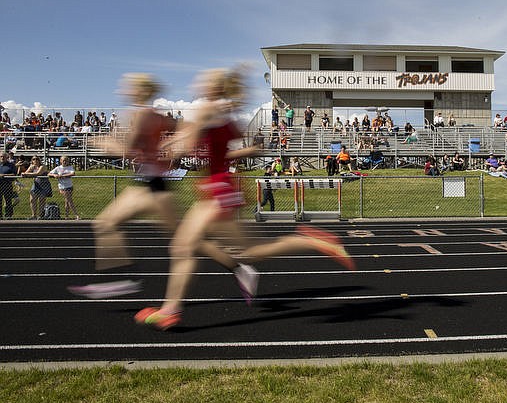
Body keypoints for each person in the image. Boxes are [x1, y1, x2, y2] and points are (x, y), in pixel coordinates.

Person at [134, 67, 354, 330]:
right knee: (240, 251)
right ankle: (310, 239)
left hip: (217, 191)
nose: (196, 82)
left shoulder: (207, 110)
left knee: (188, 246)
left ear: (213, 86)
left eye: (202, 79)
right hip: (214, 189)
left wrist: (165, 147)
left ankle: (171, 310)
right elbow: (223, 151)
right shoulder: (222, 115)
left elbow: (187, 144)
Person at [68, 74, 178, 299]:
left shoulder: (142, 115)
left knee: (181, 239)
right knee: (106, 224)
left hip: (152, 186)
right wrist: (170, 144)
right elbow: (179, 127)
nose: (123, 90)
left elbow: (127, 150)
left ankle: (236, 266)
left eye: (127, 86)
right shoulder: (153, 114)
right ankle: (121, 279)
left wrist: (105, 142)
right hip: (147, 183)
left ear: (139, 90)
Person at [48, 155, 79, 220]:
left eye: (66, 160)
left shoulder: (70, 167)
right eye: (63, 160)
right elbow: (49, 174)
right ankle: (76, 215)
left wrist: (63, 176)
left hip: (69, 186)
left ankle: (66, 216)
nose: (65, 162)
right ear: (61, 161)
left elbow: (73, 173)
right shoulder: (58, 168)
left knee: (67, 202)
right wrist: (54, 175)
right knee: (70, 200)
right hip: (62, 187)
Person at [0, 152, 17, 219]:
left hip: (7, 186)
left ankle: (8, 215)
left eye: (3, 157)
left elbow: (14, 174)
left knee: (8, 201)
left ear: (7, 158)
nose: (2, 158)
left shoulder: (11, 165)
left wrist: (3, 175)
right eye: (1, 156)